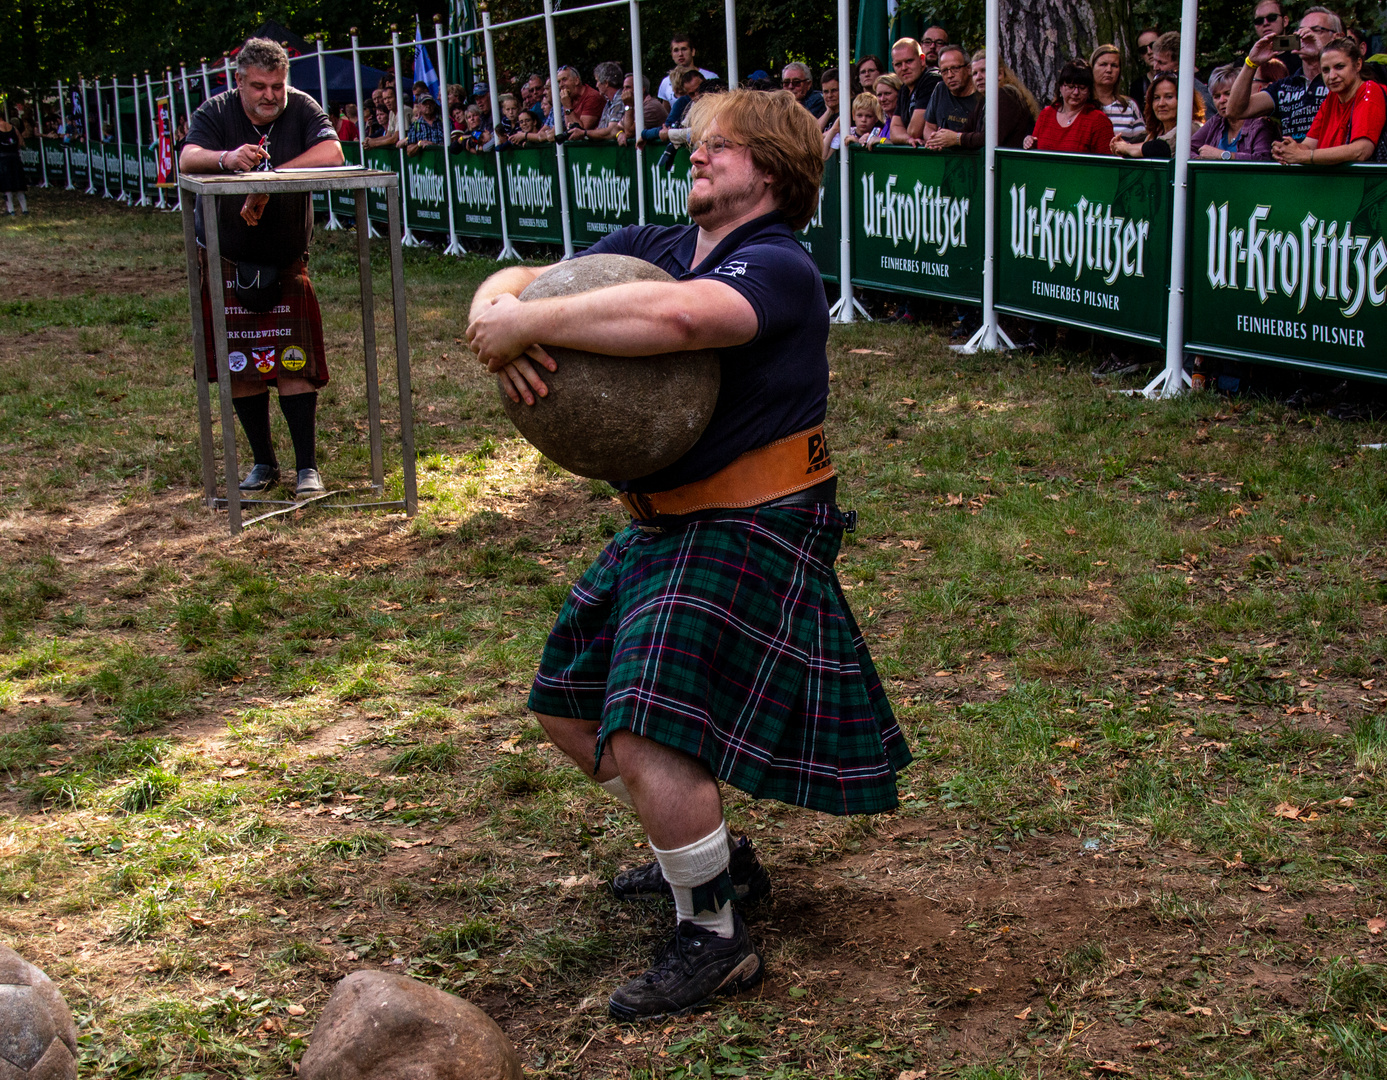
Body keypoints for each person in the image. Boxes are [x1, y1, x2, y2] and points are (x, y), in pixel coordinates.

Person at [465, 86, 911, 1022]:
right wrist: (499, 315)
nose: (697, 154)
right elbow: (520, 279)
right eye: (699, 141)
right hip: (664, 521)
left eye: (722, 145)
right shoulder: (656, 245)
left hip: (756, 522)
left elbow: (676, 322)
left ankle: (713, 936)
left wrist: (529, 325)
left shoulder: (778, 265)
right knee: (567, 707)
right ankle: (717, 861)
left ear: (775, 172)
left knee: (647, 729)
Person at [179, 37, 344, 498]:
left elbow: (332, 155)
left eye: (277, 85)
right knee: (241, 368)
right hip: (227, 260)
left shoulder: (304, 108)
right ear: (239, 83)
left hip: (286, 262)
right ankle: (263, 462)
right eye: (259, 86)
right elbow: (188, 158)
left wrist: (269, 179)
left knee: (296, 363)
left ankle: (307, 468)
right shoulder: (217, 111)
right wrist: (227, 160)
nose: (270, 95)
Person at [1227, 7, 1341, 141]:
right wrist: (1251, 63)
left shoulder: (1343, 79)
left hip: (1333, 159)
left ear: (1337, 37)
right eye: (1301, 32)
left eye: (1316, 30)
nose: (1307, 36)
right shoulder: (1286, 86)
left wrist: (1324, 53)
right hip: (1292, 160)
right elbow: (1235, 111)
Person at [1272, 36, 1384, 163]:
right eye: (1325, 70)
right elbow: (1309, 146)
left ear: (1358, 65)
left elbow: (1361, 151)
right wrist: (1287, 150)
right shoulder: (1332, 98)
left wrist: (1305, 156)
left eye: (1339, 67)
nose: (1332, 76)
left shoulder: (1370, 91)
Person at [940, 49, 1038, 150]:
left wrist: (957, 139)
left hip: (1010, 163)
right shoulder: (984, 99)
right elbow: (967, 130)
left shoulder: (1006, 95)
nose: (978, 77)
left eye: (984, 70)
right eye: (975, 73)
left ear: (1000, 74)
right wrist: (941, 138)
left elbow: (990, 138)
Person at [1024, 59, 1114, 153]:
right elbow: (1035, 151)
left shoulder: (1099, 121)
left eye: (1082, 88)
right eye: (1070, 87)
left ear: (1089, 91)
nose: (1076, 92)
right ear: (1061, 87)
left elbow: (1107, 163)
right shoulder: (1046, 115)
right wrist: (1029, 142)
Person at [1111, 72, 1205, 157]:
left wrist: (1127, 148)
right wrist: (1120, 148)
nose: (1161, 104)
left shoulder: (1193, 127)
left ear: (1185, 100)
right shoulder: (1153, 134)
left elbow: (1162, 147)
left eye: (1169, 97)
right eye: (1156, 98)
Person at [1193, 63, 1276, 160]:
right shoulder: (1216, 121)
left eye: (1228, 94)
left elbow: (1263, 159)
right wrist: (1199, 160)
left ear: (1242, 94)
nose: (1222, 100)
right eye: (1217, 96)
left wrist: (1223, 155)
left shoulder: (1260, 124)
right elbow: (1187, 148)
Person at [1150, 31, 1216, 116]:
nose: (1155, 67)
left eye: (1161, 63)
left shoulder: (1197, 95)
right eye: (1155, 60)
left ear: (1178, 64)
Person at [921, 44, 978, 140]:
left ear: (969, 69)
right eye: (944, 71)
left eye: (955, 68)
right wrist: (934, 139)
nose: (950, 75)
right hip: (944, 153)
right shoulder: (940, 89)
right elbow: (928, 127)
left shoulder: (982, 95)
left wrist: (954, 139)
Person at [1089, 44, 1144, 141]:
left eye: (1114, 66)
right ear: (1092, 67)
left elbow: (1141, 140)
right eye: (1103, 64)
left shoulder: (1129, 106)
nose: (1109, 70)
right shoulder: (1082, 103)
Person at [890, 37, 938, 143]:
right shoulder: (904, 88)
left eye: (909, 61)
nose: (904, 68)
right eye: (898, 64)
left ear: (922, 60)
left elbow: (915, 131)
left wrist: (906, 135)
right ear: (893, 66)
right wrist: (908, 140)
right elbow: (894, 130)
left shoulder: (932, 79)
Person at [658, 34, 720, 108]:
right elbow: (666, 113)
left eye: (684, 49)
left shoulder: (711, 77)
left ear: (693, 51)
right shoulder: (666, 82)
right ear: (672, 55)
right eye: (676, 50)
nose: (680, 54)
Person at [826, 91, 887, 157]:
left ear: (876, 118)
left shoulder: (879, 133)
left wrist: (857, 142)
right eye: (859, 115)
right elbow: (824, 156)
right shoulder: (846, 132)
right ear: (853, 116)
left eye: (869, 116)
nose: (863, 120)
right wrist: (834, 130)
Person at [581, 62, 628, 142]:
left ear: (606, 83)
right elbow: (602, 128)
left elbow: (611, 131)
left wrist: (584, 133)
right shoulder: (609, 102)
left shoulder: (620, 100)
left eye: (597, 81)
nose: (596, 85)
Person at [1252, 0, 1301, 72]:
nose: (1265, 23)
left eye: (1272, 17)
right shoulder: (1249, 62)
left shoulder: (1301, 55)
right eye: (1259, 20)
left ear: (1285, 21)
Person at [557, 65, 604, 134]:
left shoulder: (592, 97)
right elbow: (569, 127)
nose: (561, 85)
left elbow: (580, 130)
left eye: (564, 79)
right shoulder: (568, 99)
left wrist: (567, 107)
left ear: (576, 80)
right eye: (559, 82)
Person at [0, 112, 27, 216]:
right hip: (15, 157)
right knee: (19, 184)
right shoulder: (13, 128)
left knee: (7, 185)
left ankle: (11, 210)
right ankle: (25, 209)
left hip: (3, 159)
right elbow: (21, 143)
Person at [872, 74, 912, 143]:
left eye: (887, 94)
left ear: (899, 94)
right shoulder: (887, 122)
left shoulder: (906, 120)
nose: (882, 99)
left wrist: (882, 140)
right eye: (879, 95)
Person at [1131, 27, 1161, 103]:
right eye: (1143, 50)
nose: (1149, 52)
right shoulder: (1138, 86)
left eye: (1153, 45)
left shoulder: (1181, 78)